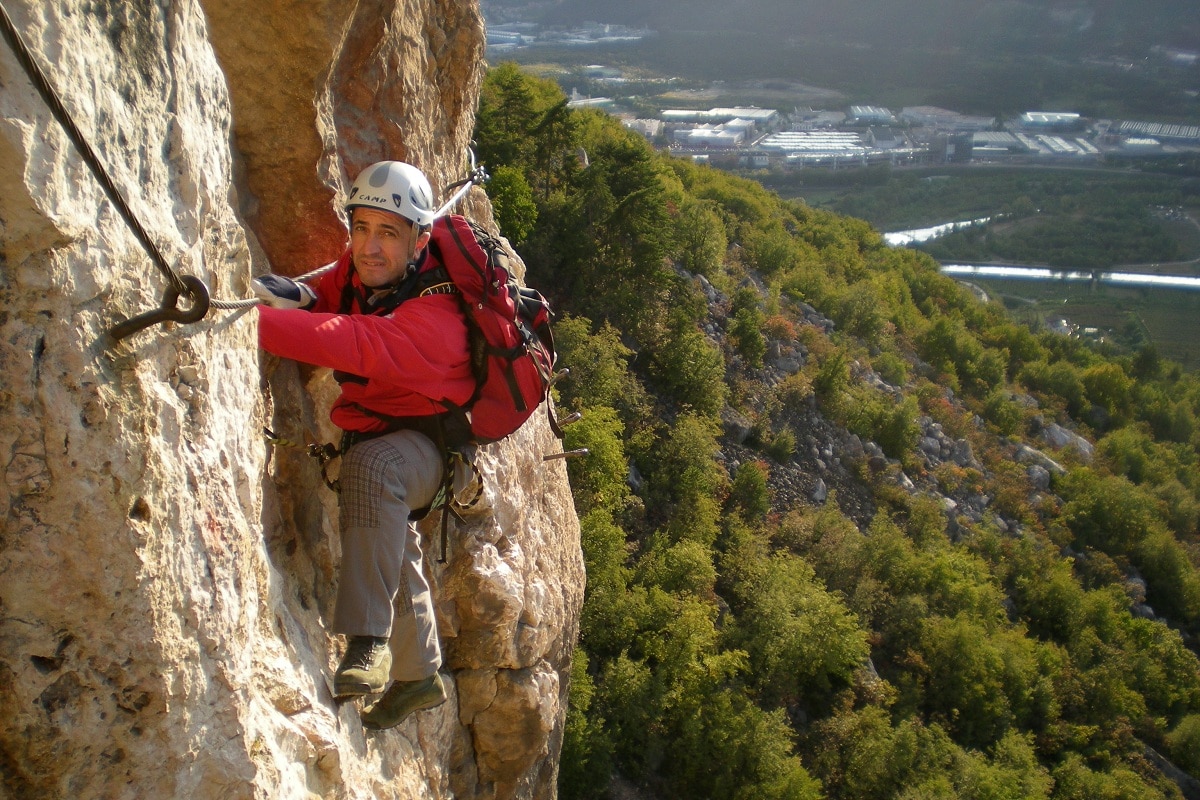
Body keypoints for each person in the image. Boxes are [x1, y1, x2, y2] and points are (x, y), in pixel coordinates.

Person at [252, 161, 473, 730]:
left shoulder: (435, 317)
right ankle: (419, 676)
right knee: (389, 532)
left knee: (374, 469)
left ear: (421, 241)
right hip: (392, 434)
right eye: (361, 228)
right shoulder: (363, 272)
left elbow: (347, 340)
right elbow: (327, 293)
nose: (369, 247)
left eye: (389, 233)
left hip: (431, 450)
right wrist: (294, 294)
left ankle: (368, 642)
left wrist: (246, 322)